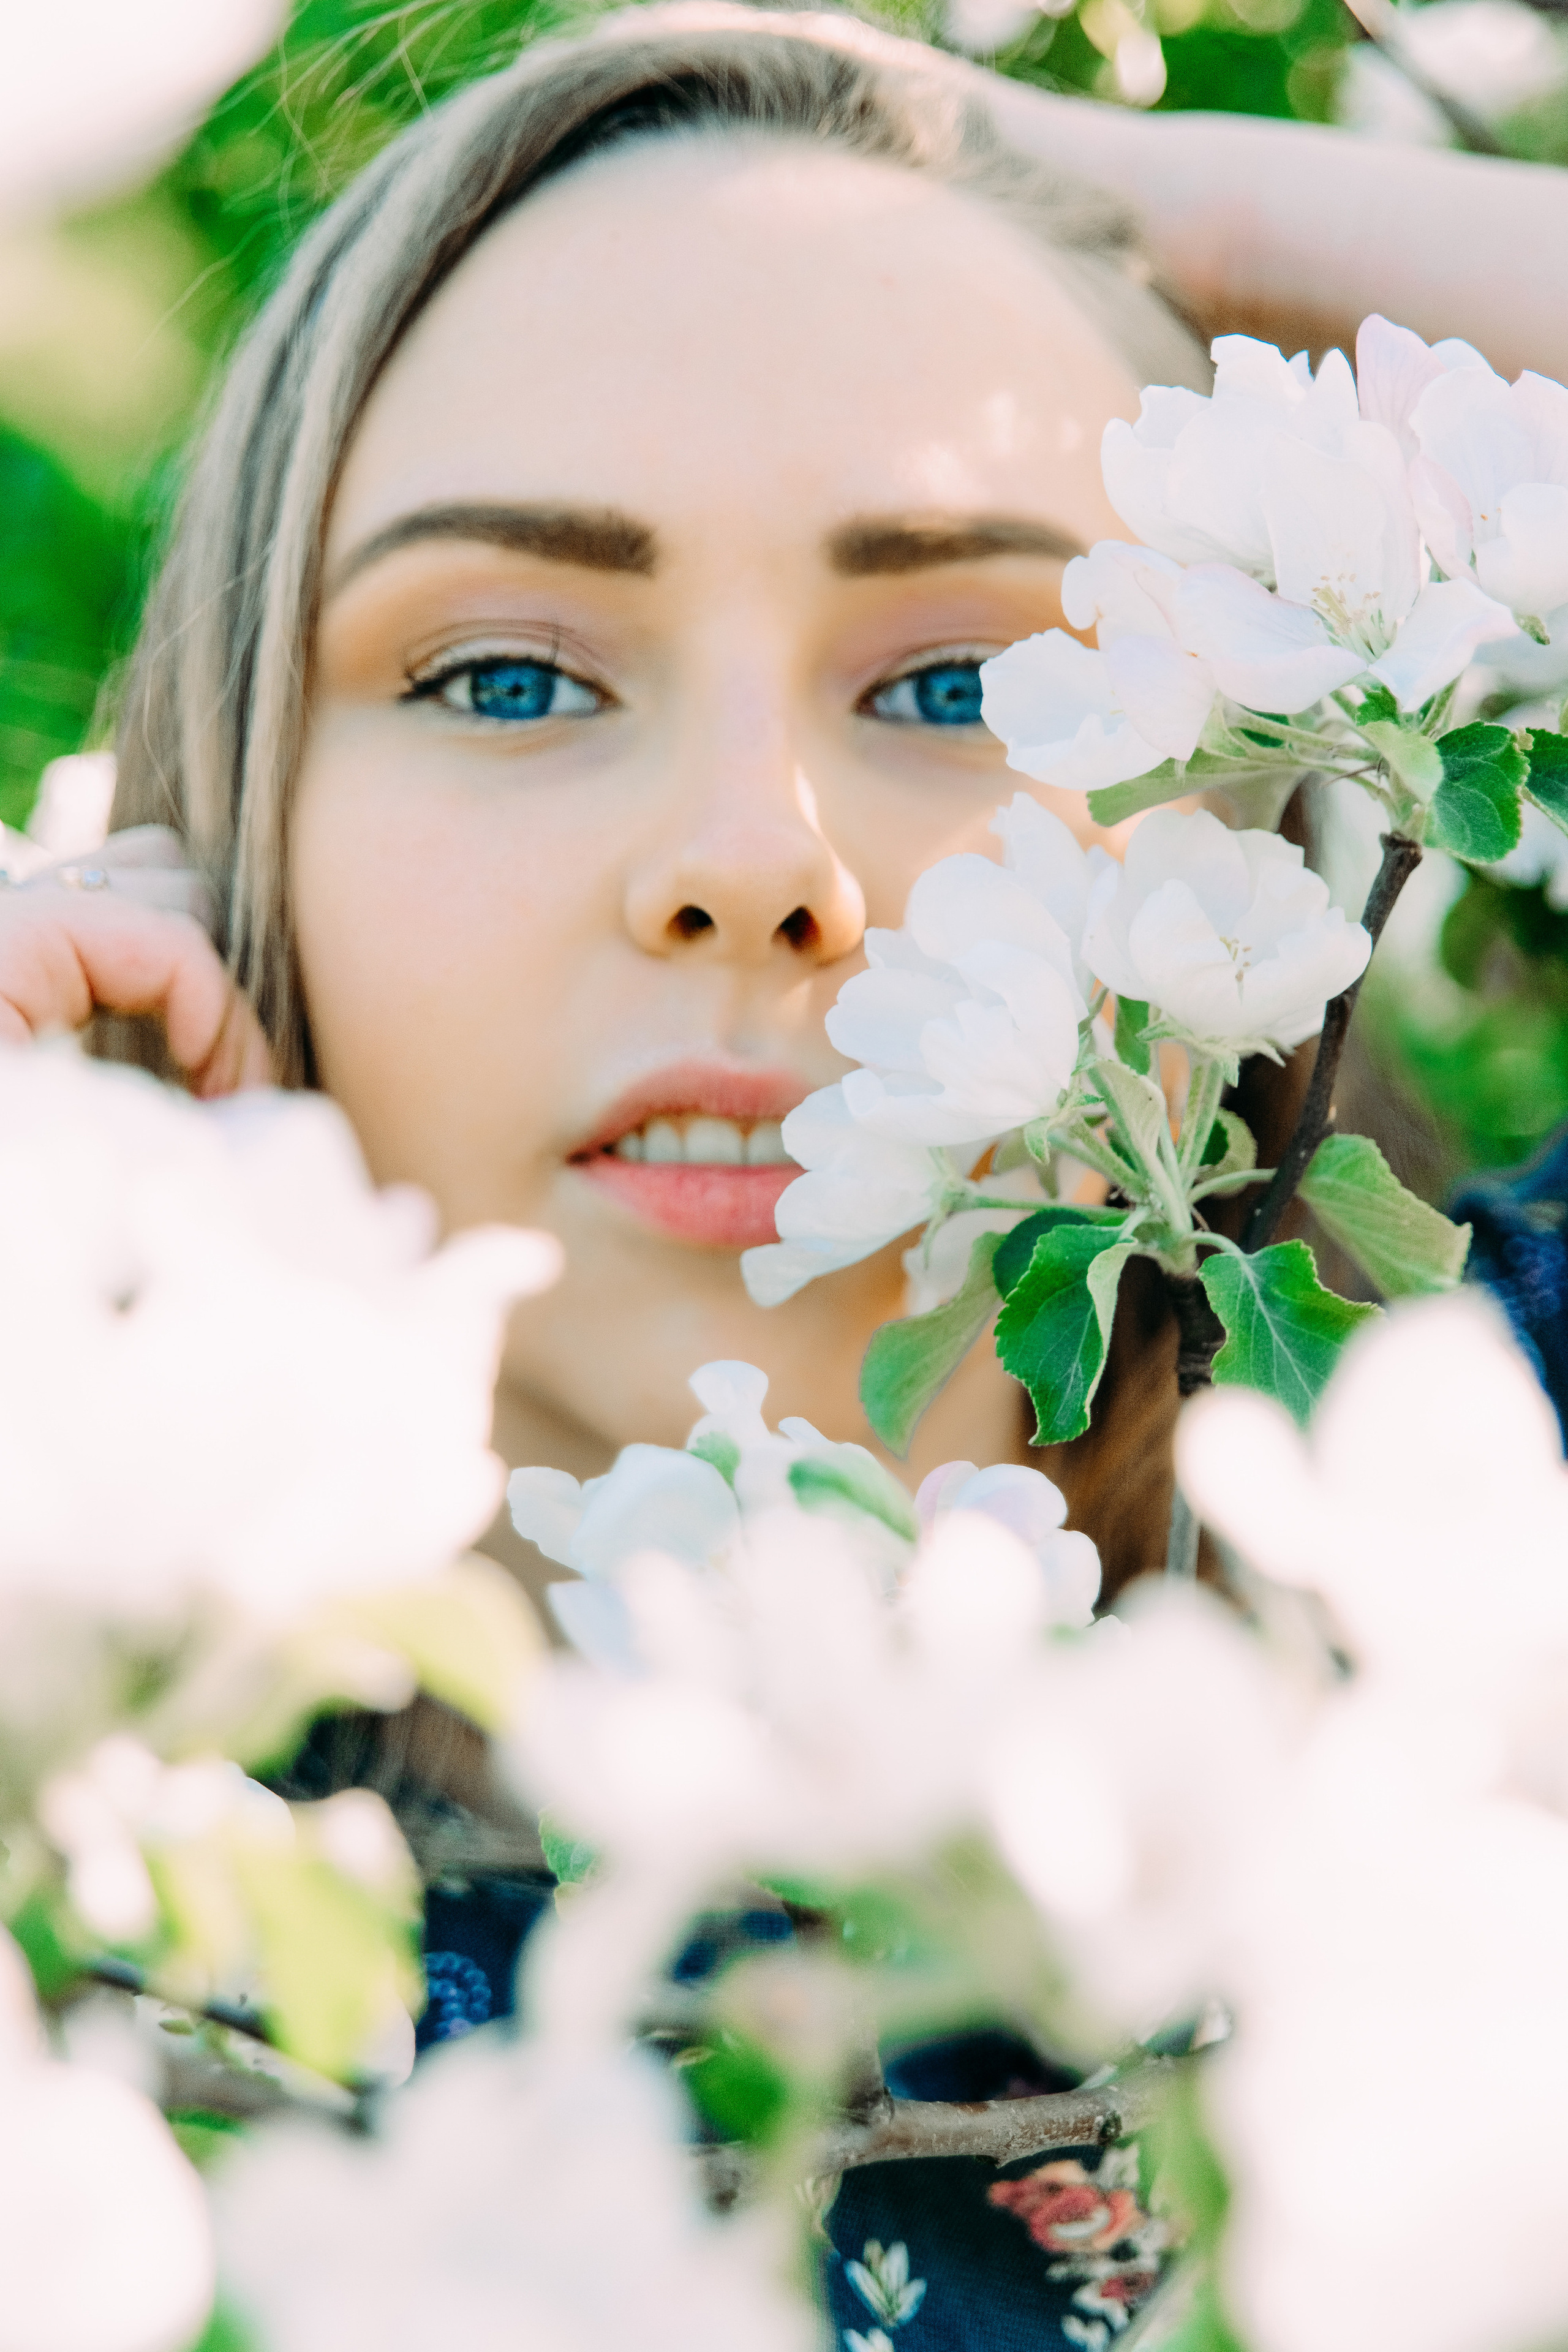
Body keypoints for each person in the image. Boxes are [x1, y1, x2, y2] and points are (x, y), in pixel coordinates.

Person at [1, 12, 1565, 2338]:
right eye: (513, 679)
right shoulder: (92, 1931)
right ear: (237, 835)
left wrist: (1137, 205)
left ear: (1274, 824)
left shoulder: (1498, 1595)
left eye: (963, 685)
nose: (754, 863)